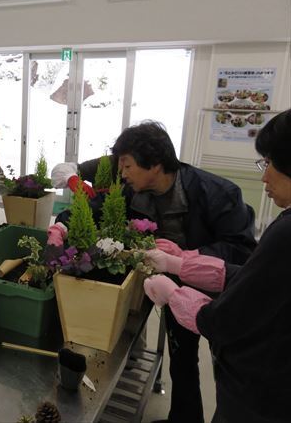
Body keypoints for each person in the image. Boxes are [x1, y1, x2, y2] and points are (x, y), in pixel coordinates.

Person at [52, 121, 257, 423]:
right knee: (182, 356)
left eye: (127, 165)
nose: (122, 173)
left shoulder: (217, 193)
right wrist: (60, 226)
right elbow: (93, 207)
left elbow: (242, 250)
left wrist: (188, 257)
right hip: (167, 285)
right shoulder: (133, 192)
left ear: (155, 164)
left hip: (216, 288)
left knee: (224, 364)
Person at [143, 109, 291, 423]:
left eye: (269, 163)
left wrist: (174, 293)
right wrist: (180, 264)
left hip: (259, 396)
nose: (264, 176)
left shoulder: (224, 196)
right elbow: (259, 281)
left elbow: (222, 320)